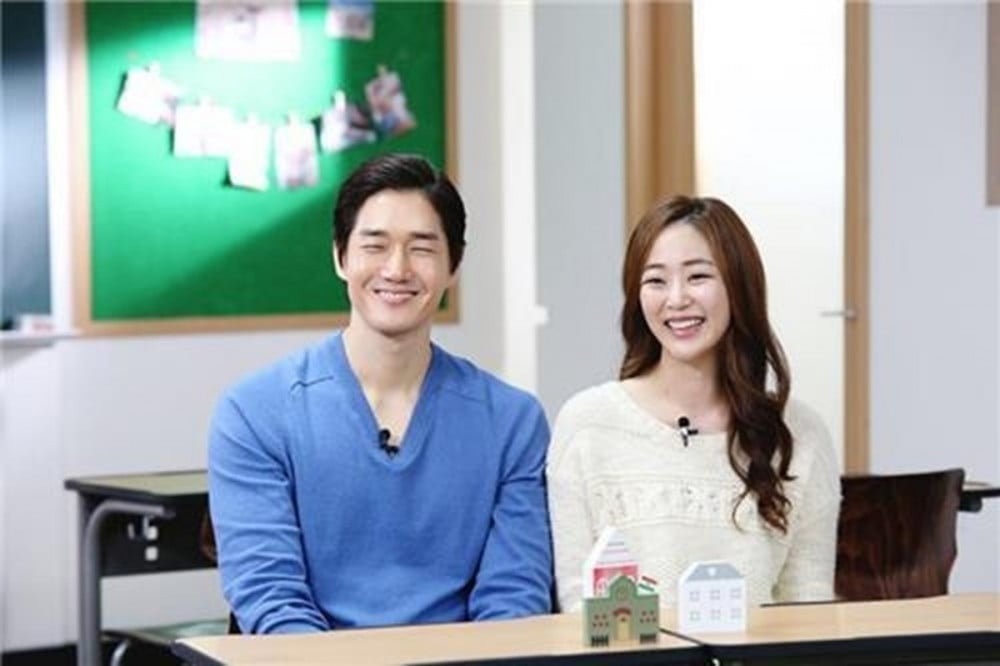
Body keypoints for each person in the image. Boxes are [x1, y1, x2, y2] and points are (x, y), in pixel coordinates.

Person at [209, 153, 553, 634]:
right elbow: (272, 602)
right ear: (340, 257)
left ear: (454, 265)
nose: (396, 269)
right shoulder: (255, 412)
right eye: (375, 245)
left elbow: (514, 602)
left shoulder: (513, 421)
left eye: (422, 248)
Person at [547, 195, 840, 611]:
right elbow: (579, 606)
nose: (677, 299)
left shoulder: (802, 434)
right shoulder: (587, 425)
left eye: (698, 276)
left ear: (739, 286)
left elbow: (809, 607)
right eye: (656, 281)